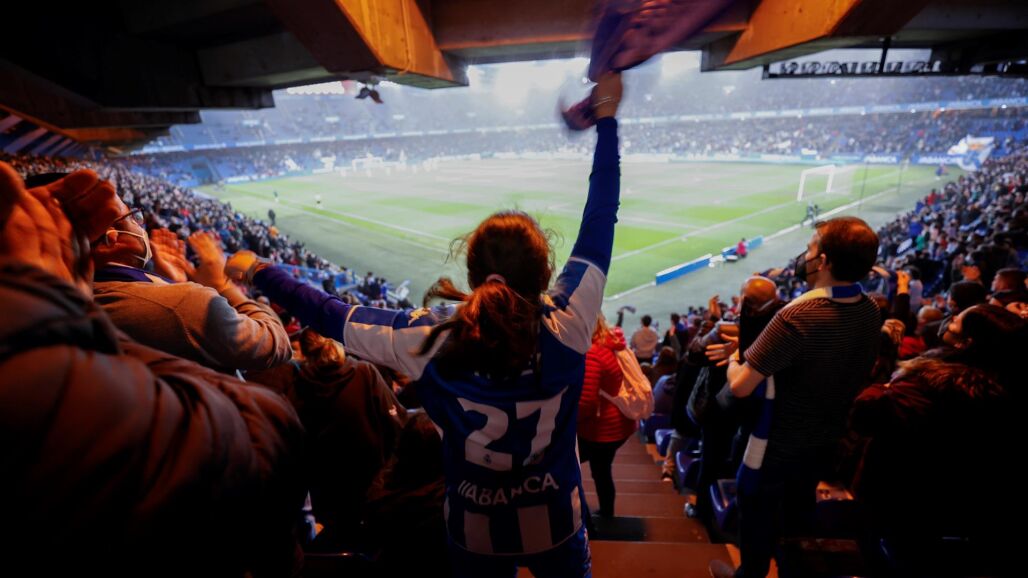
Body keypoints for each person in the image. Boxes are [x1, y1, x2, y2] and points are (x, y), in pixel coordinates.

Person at [226, 73, 624, 578]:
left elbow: (330, 313)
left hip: (473, 527)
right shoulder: (569, 322)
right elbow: (601, 216)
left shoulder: (426, 338)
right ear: (545, 272)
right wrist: (606, 118)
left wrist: (259, 271)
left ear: (473, 274)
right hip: (557, 520)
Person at [0, 164, 306, 577]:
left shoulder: (69, 313)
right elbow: (274, 363)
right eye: (133, 217)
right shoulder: (182, 308)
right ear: (112, 239)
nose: (142, 225)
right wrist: (215, 286)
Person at [710, 217, 883, 578]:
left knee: (755, 510)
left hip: (776, 442)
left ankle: (750, 574)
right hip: (827, 436)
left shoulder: (797, 315)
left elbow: (740, 386)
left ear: (824, 261)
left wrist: (736, 359)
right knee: (796, 514)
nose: (805, 255)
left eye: (810, 248)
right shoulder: (869, 309)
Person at [851, 305, 1024, 574]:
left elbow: (866, 416)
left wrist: (881, 388)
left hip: (903, 490)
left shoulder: (930, 383)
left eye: (957, 321)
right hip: (960, 495)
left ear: (966, 341)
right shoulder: (1001, 382)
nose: (950, 320)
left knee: (892, 553)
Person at [577, 317, 636, 522]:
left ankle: (600, 515)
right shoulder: (610, 342)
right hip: (617, 424)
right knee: (601, 470)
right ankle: (607, 513)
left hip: (603, 429)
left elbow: (586, 403)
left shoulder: (592, 353)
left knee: (565, 462)